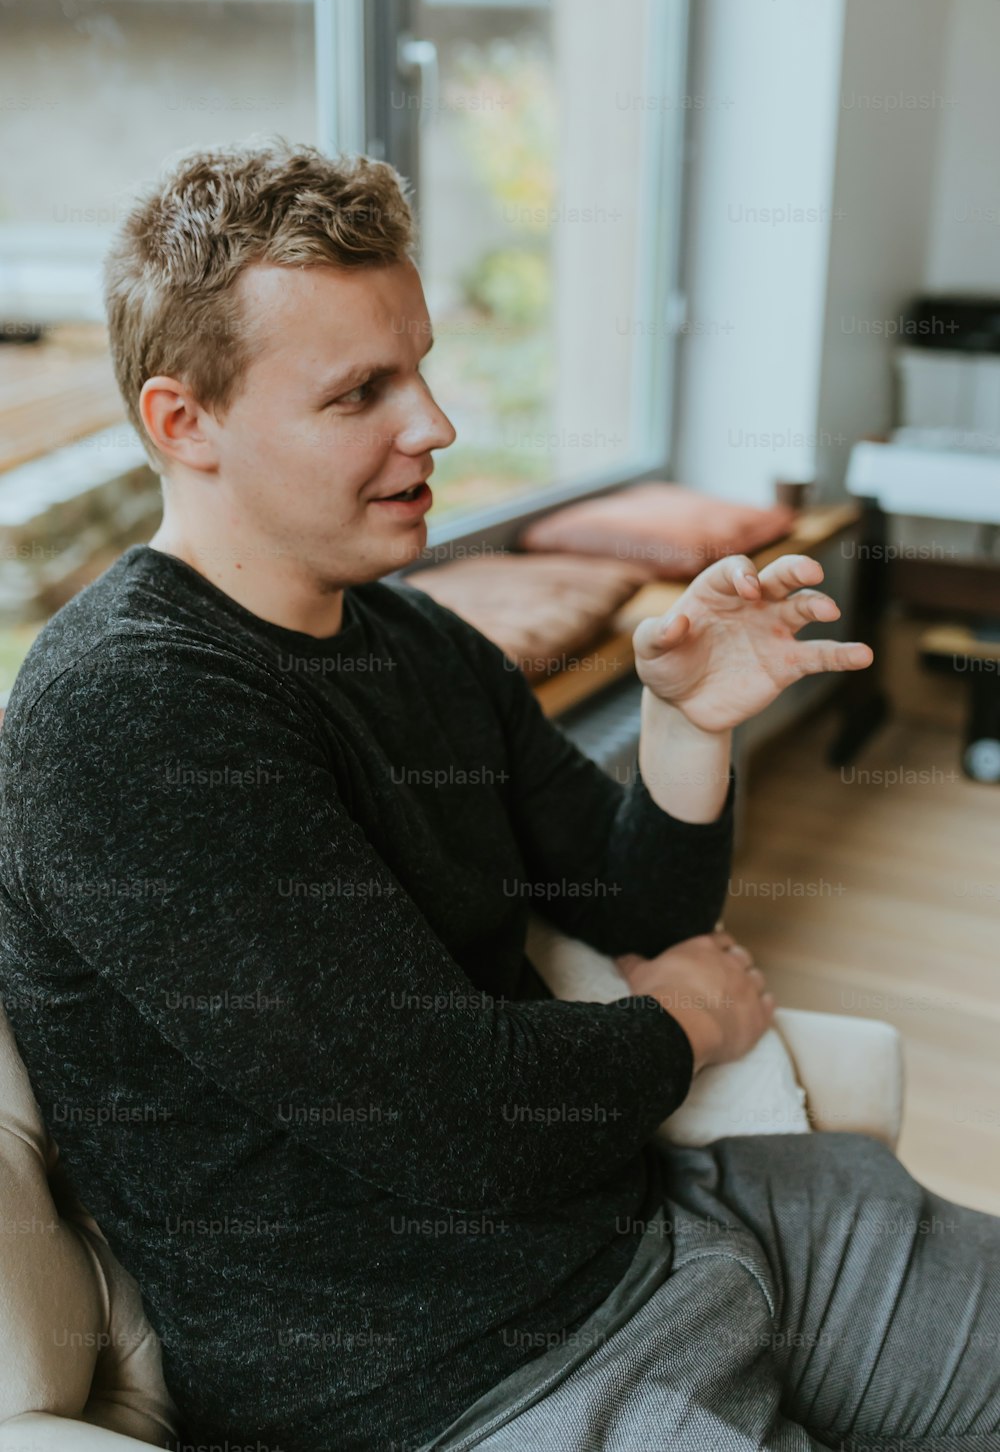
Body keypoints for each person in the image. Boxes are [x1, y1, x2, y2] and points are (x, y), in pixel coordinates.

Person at [0, 141, 996, 1452]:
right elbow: (450, 1123)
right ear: (184, 424)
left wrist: (688, 727)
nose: (435, 424)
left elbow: (638, 898)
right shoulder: (127, 723)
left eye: (418, 364)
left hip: (677, 1216)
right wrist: (685, 1026)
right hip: (467, 1380)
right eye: (362, 391)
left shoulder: (414, 643)